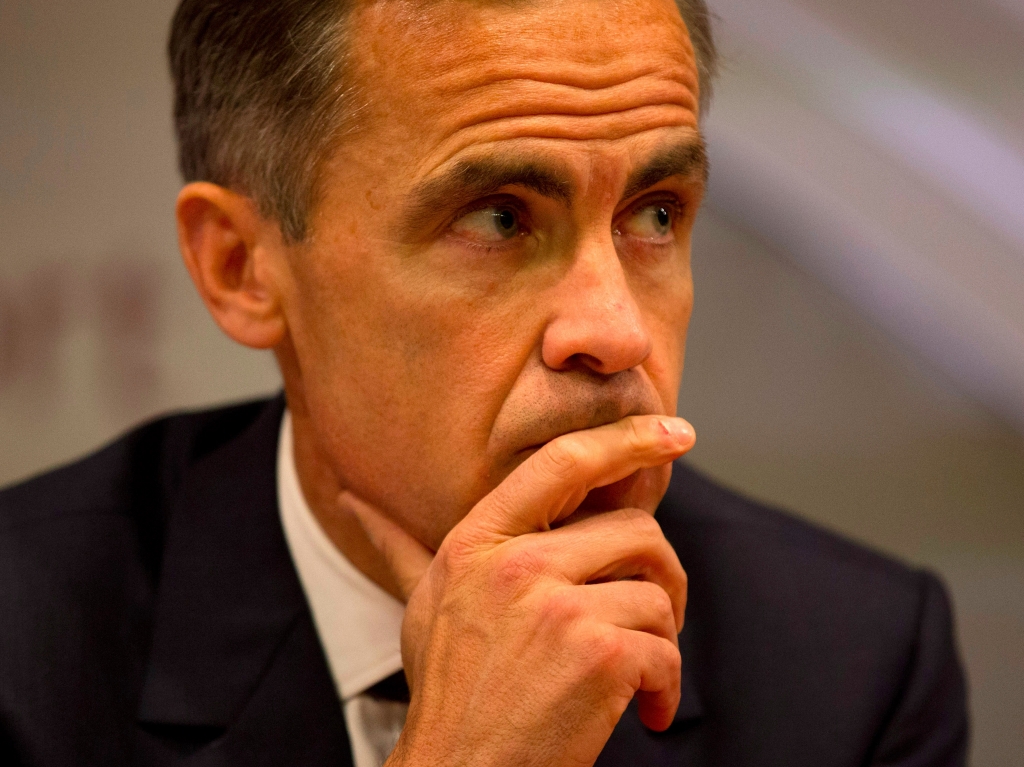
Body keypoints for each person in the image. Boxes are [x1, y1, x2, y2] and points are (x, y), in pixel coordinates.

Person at [0, 0, 968, 765]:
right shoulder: (27, 653)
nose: (615, 329)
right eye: (499, 218)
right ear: (241, 267)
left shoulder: (851, 662)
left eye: (657, 213)